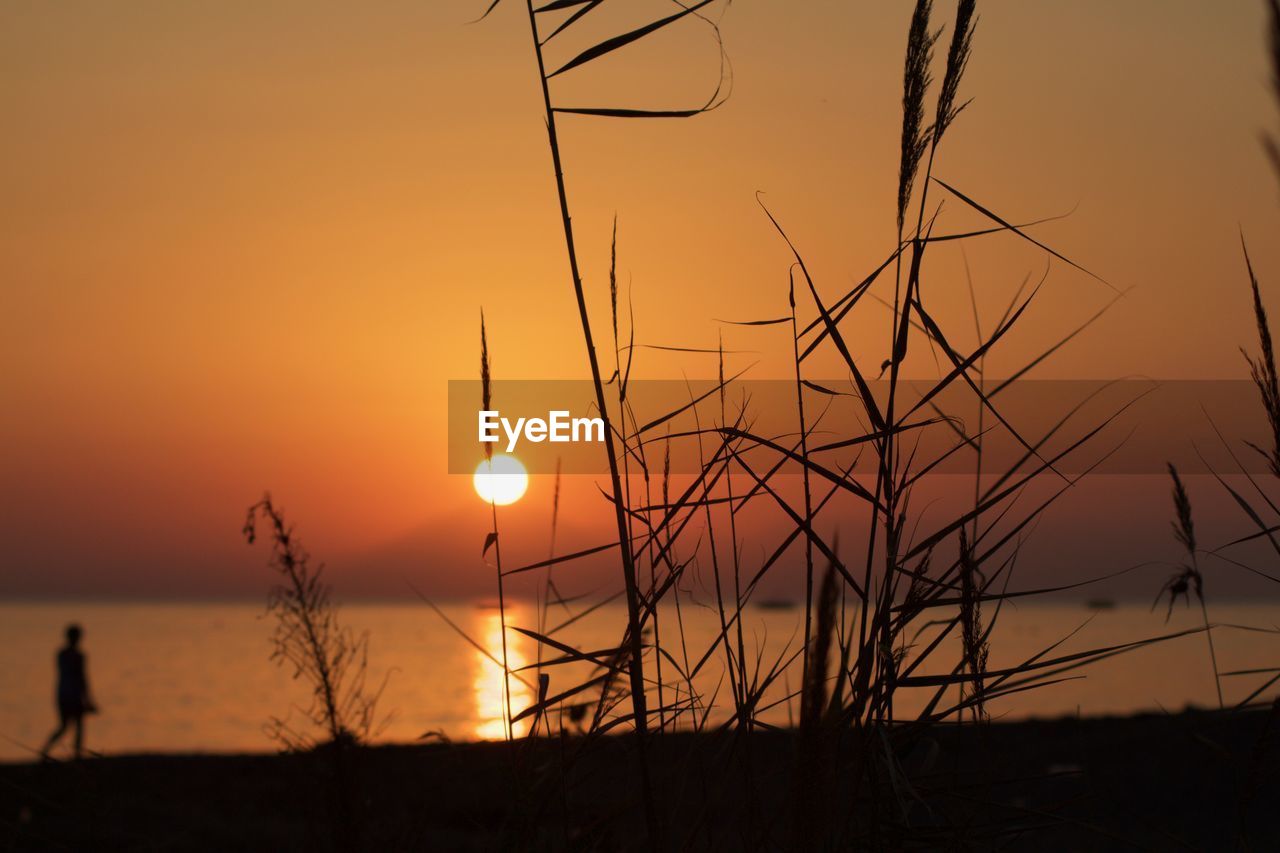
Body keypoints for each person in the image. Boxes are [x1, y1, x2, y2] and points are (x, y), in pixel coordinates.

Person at [40, 624, 96, 760]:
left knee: (65, 726)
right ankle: (76, 755)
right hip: (72, 695)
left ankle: (46, 751)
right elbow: (82, 677)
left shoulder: (61, 654)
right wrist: (88, 699)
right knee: (76, 726)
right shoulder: (77, 655)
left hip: (63, 694)